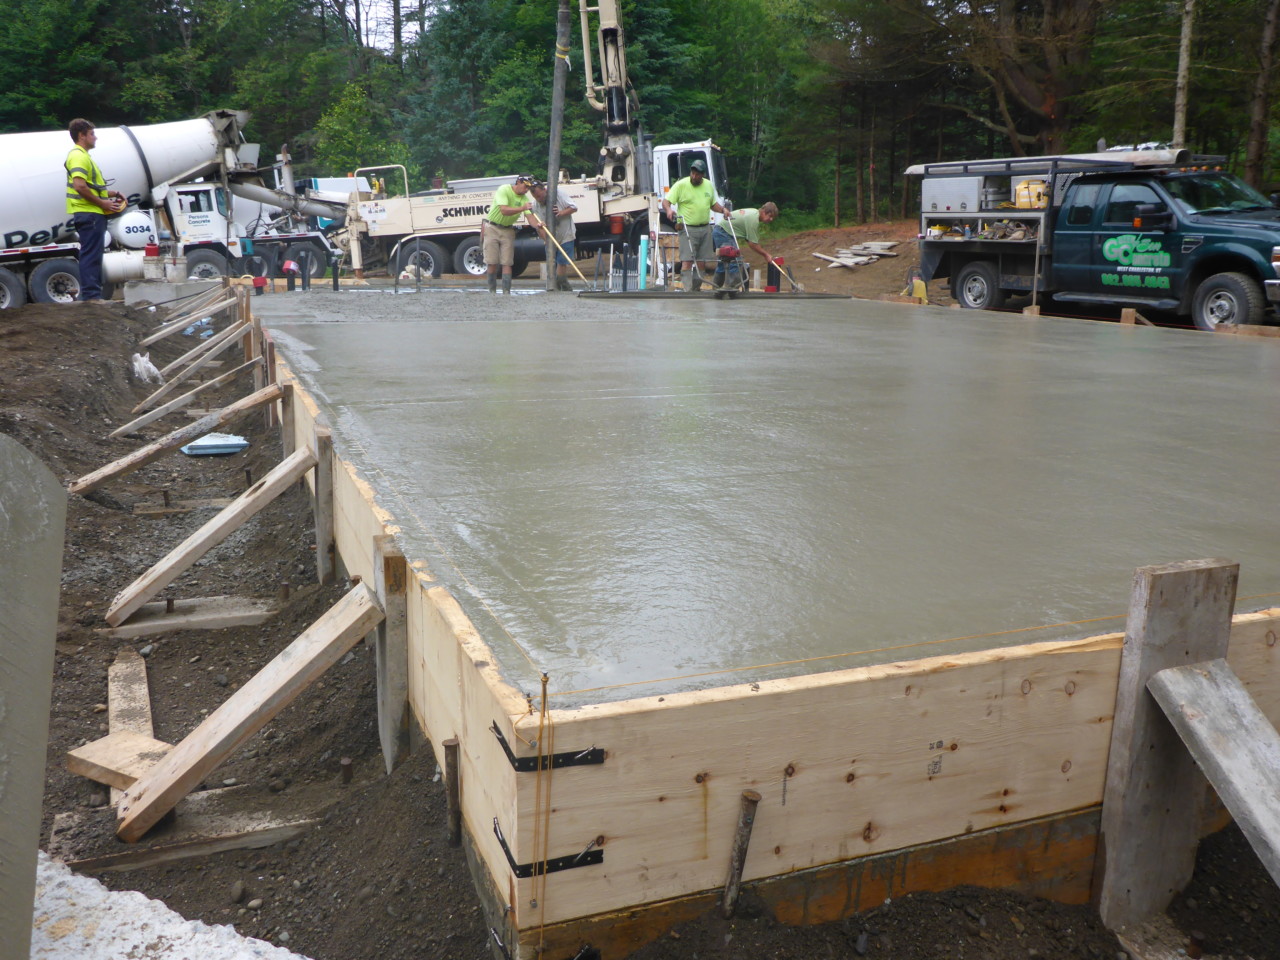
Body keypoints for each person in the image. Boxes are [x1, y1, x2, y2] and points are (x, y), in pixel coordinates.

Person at [65, 119, 126, 303]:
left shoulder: (83, 156)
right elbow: (80, 187)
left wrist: (111, 193)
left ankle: (91, 295)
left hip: (90, 213)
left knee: (92, 254)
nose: (95, 137)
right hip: (89, 213)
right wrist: (103, 203)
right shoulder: (79, 156)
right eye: (92, 133)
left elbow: (88, 186)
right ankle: (92, 296)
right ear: (81, 135)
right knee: (91, 255)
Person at [661, 158, 730, 291]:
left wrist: (723, 210)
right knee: (687, 260)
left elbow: (713, 204)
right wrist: (669, 209)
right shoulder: (681, 185)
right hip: (687, 228)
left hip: (704, 228)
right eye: (693, 173)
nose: (694, 176)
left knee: (701, 261)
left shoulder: (708, 185)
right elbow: (666, 201)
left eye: (697, 174)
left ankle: (696, 289)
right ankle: (687, 290)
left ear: (702, 174)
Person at [484, 174, 538, 294]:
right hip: (492, 227)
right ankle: (491, 290)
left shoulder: (524, 199)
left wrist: (538, 225)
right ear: (518, 182)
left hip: (508, 230)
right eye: (525, 186)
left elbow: (530, 218)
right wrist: (522, 208)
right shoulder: (504, 189)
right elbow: (504, 210)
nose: (526, 190)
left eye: (528, 188)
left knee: (507, 262)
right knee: (492, 261)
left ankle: (506, 291)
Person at [712, 202, 779, 289]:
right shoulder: (753, 220)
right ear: (764, 212)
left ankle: (716, 288)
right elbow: (752, 244)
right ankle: (731, 289)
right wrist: (766, 255)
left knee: (724, 262)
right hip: (724, 232)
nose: (771, 219)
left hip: (720, 230)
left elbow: (749, 240)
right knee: (734, 261)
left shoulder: (753, 213)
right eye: (770, 216)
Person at [529, 182, 578, 291]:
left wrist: (561, 213)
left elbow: (574, 208)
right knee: (551, 259)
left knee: (562, 261)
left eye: (540, 196)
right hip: (550, 235)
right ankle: (553, 285)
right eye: (535, 197)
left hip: (566, 233)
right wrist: (546, 240)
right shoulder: (535, 205)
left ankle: (562, 283)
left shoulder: (559, 194)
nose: (539, 199)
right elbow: (540, 227)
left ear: (544, 190)